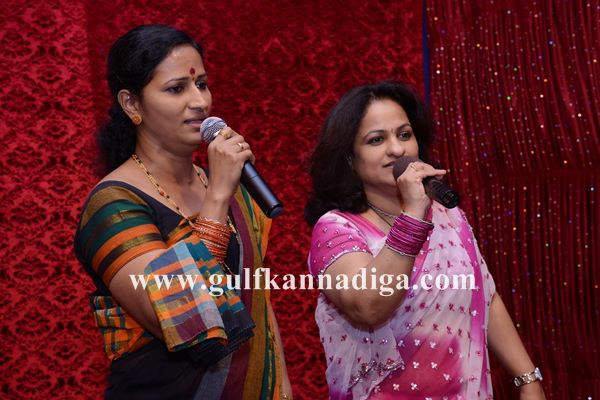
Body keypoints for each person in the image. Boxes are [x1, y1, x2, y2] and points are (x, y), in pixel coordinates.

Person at [74, 24, 291, 400]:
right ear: (131, 104)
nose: (200, 101)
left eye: (202, 84)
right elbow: (178, 312)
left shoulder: (229, 187)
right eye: (177, 88)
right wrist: (218, 197)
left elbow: (258, 303)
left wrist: (280, 389)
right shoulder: (114, 205)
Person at [305, 81, 545, 399]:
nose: (397, 149)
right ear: (350, 158)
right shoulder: (336, 229)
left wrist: (528, 380)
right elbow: (369, 306)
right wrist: (414, 216)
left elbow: (485, 296)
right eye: (376, 139)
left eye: (404, 135)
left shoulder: (449, 216)